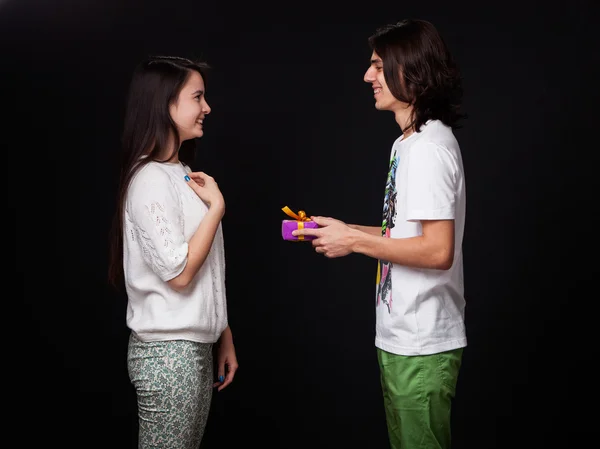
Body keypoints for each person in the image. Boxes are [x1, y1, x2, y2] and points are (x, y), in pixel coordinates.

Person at [293, 19, 467, 449]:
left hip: (421, 344)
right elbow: (401, 234)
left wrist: (353, 242)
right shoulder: (407, 144)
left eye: (376, 65)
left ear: (409, 69)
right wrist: (343, 229)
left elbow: (438, 250)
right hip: (400, 338)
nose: (367, 76)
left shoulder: (427, 147)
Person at [107, 55, 238, 448]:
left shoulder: (180, 172)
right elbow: (179, 273)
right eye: (197, 97)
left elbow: (205, 267)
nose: (207, 107)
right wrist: (216, 209)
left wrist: (222, 330)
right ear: (166, 104)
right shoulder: (149, 179)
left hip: (190, 350)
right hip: (168, 356)